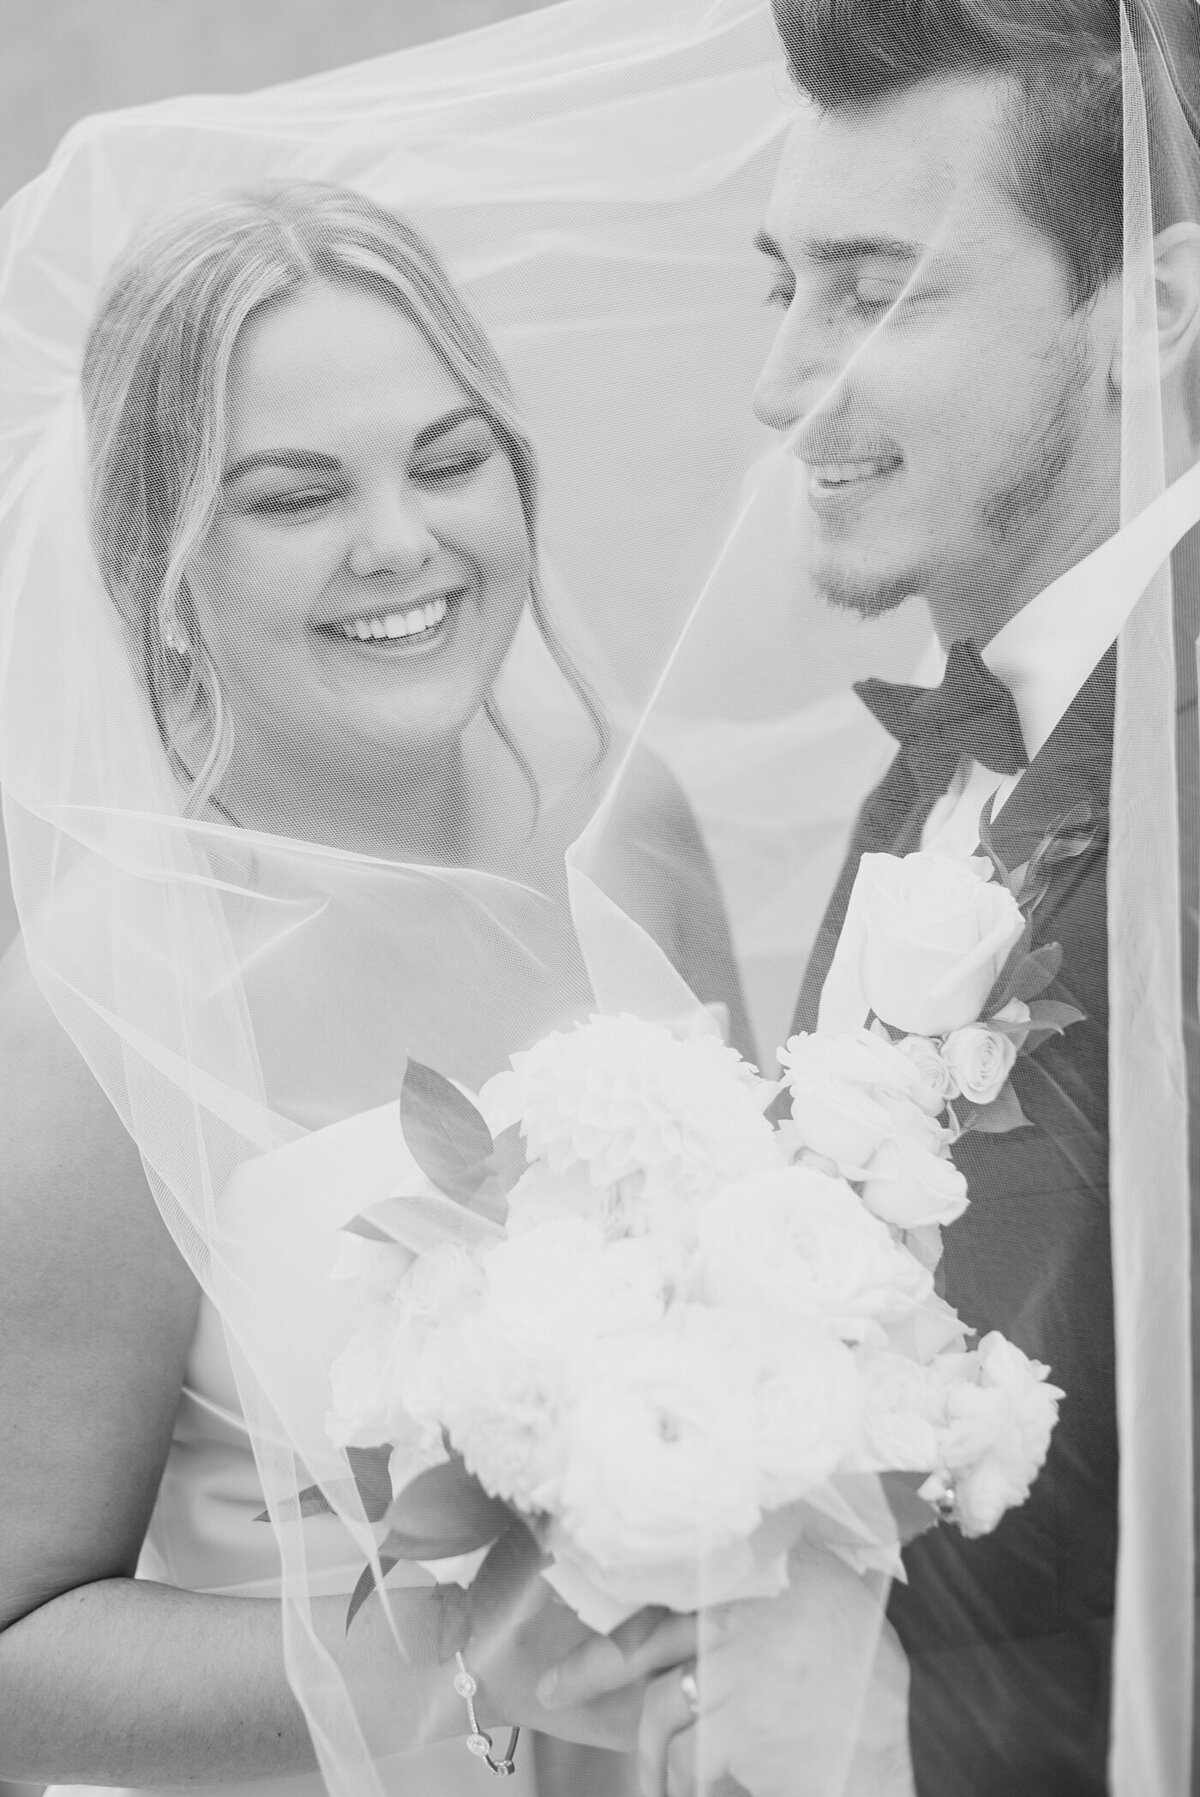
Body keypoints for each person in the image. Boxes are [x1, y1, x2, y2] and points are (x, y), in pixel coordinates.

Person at [0, 177, 753, 1797]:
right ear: (160, 561)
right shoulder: (89, 1023)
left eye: (449, 458)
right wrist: (468, 1658)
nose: (401, 541)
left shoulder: (635, 834)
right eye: (294, 495)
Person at [752, 0, 1200, 1790]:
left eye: (879, 288)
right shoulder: (952, 751)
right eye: (777, 285)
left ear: (1153, 313)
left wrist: (891, 1733)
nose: (785, 380)